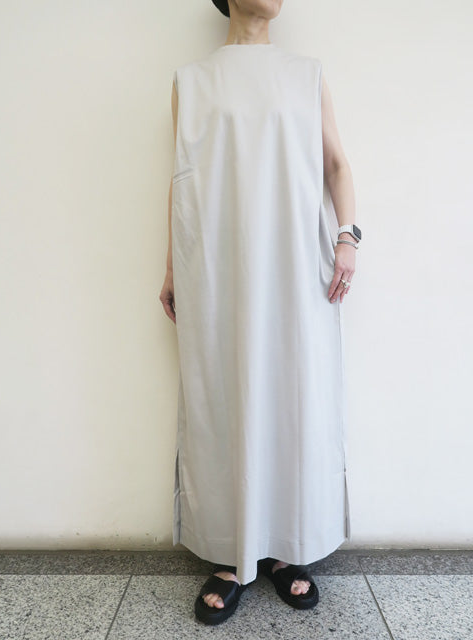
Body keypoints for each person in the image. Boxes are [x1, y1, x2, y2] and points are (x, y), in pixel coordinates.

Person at [159, 0, 360, 626]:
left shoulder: (306, 73)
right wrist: (172, 266)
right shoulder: (192, 81)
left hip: (296, 263)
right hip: (218, 265)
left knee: (294, 397)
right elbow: (181, 181)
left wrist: (348, 238)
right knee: (224, 397)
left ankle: (287, 544)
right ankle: (230, 552)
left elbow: (336, 164)